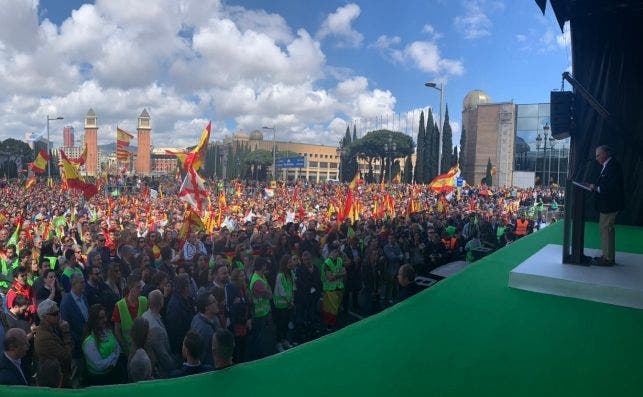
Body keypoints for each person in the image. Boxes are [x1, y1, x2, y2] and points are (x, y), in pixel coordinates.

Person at [589, 145, 625, 266]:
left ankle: (607, 259)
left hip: (610, 204)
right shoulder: (609, 165)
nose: (597, 158)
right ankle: (608, 256)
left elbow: (611, 186)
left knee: (606, 230)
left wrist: (596, 187)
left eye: (598, 155)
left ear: (605, 153)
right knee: (607, 230)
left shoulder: (613, 166)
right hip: (608, 204)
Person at [34, 299, 73, 387]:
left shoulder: (54, 328)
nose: (58, 316)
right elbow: (66, 356)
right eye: (54, 314)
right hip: (56, 382)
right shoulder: (44, 337)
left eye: (58, 312)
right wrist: (66, 333)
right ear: (44, 317)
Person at [60, 273, 89, 388]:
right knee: (76, 375)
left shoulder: (84, 298)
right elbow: (67, 328)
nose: (84, 284)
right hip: (76, 347)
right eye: (81, 282)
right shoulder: (66, 303)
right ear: (73, 284)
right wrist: (80, 339)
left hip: (87, 342)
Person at [82, 304, 122, 385]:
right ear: (94, 320)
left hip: (113, 374)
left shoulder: (108, 330)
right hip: (99, 379)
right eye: (101, 318)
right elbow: (98, 365)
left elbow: (118, 347)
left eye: (105, 317)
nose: (105, 320)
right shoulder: (89, 341)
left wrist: (113, 363)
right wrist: (113, 356)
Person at [141, 289, 176, 378]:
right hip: (161, 371)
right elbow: (163, 355)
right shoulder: (156, 328)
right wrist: (174, 366)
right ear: (161, 303)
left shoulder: (144, 315)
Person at [113, 274, 148, 355]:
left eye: (141, 286)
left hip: (145, 348)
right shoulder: (119, 305)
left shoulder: (144, 301)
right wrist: (125, 349)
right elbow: (117, 331)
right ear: (130, 288)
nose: (141, 289)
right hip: (129, 349)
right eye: (138, 287)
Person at [190, 292, 220, 367]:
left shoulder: (211, 317)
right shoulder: (204, 330)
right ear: (206, 307)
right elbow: (202, 355)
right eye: (214, 301)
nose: (217, 302)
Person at [320, 248, 346, 331]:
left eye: (337, 252)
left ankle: (331, 323)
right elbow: (330, 278)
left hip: (338, 287)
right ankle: (330, 324)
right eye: (334, 252)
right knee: (331, 307)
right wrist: (339, 274)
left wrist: (335, 275)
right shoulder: (327, 263)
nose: (336, 253)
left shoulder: (339, 260)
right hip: (329, 288)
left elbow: (344, 272)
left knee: (335, 307)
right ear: (331, 252)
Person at [128, 317, 152, 382]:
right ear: (143, 335)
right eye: (148, 331)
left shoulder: (136, 348)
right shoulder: (139, 357)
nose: (151, 333)